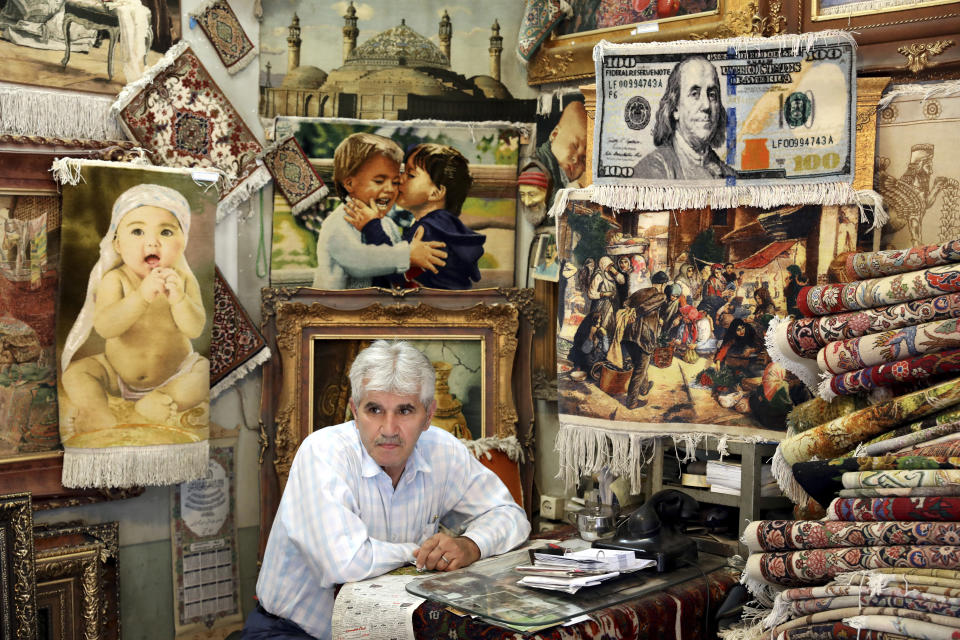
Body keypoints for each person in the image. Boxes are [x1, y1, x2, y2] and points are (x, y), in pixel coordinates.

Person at [247, 340, 530, 640]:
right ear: (355, 411)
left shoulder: (443, 449)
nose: (389, 429)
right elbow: (346, 563)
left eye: (405, 410)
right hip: (296, 632)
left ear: (429, 414)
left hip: (398, 627)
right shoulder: (323, 453)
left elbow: (510, 515)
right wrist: (424, 554)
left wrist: (470, 545)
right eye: (375, 410)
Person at [60, 184, 209, 429]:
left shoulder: (182, 280)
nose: (152, 243)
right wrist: (141, 296)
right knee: (76, 373)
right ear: (117, 244)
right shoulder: (116, 279)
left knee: (203, 372)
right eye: (138, 231)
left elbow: (194, 329)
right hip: (116, 375)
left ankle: (161, 399)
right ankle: (96, 410)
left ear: (183, 241)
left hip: (175, 374)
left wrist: (180, 300)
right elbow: (107, 328)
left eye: (167, 233)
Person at [312, 133, 447, 289]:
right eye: (379, 181)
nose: (390, 189)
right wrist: (406, 255)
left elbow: (396, 272)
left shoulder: (387, 224)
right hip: (336, 309)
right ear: (349, 184)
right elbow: (357, 262)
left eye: (395, 182)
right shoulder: (339, 222)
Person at [349, 143, 485, 290]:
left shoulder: (427, 231)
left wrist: (371, 225)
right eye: (403, 172)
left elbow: (393, 271)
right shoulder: (445, 226)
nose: (400, 179)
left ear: (436, 193)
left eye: (411, 175)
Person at [633, 56, 735, 180]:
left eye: (712, 95)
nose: (707, 105)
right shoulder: (653, 169)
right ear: (675, 108)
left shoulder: (730, 175)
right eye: (694, 94)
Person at [535, 99, 588, 203]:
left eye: (583, 159)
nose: (576, 159)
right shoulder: (539, 162)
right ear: (554, 135)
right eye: (574, 146)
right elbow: (548, 206)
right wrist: (577, 186)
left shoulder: (562, 176)